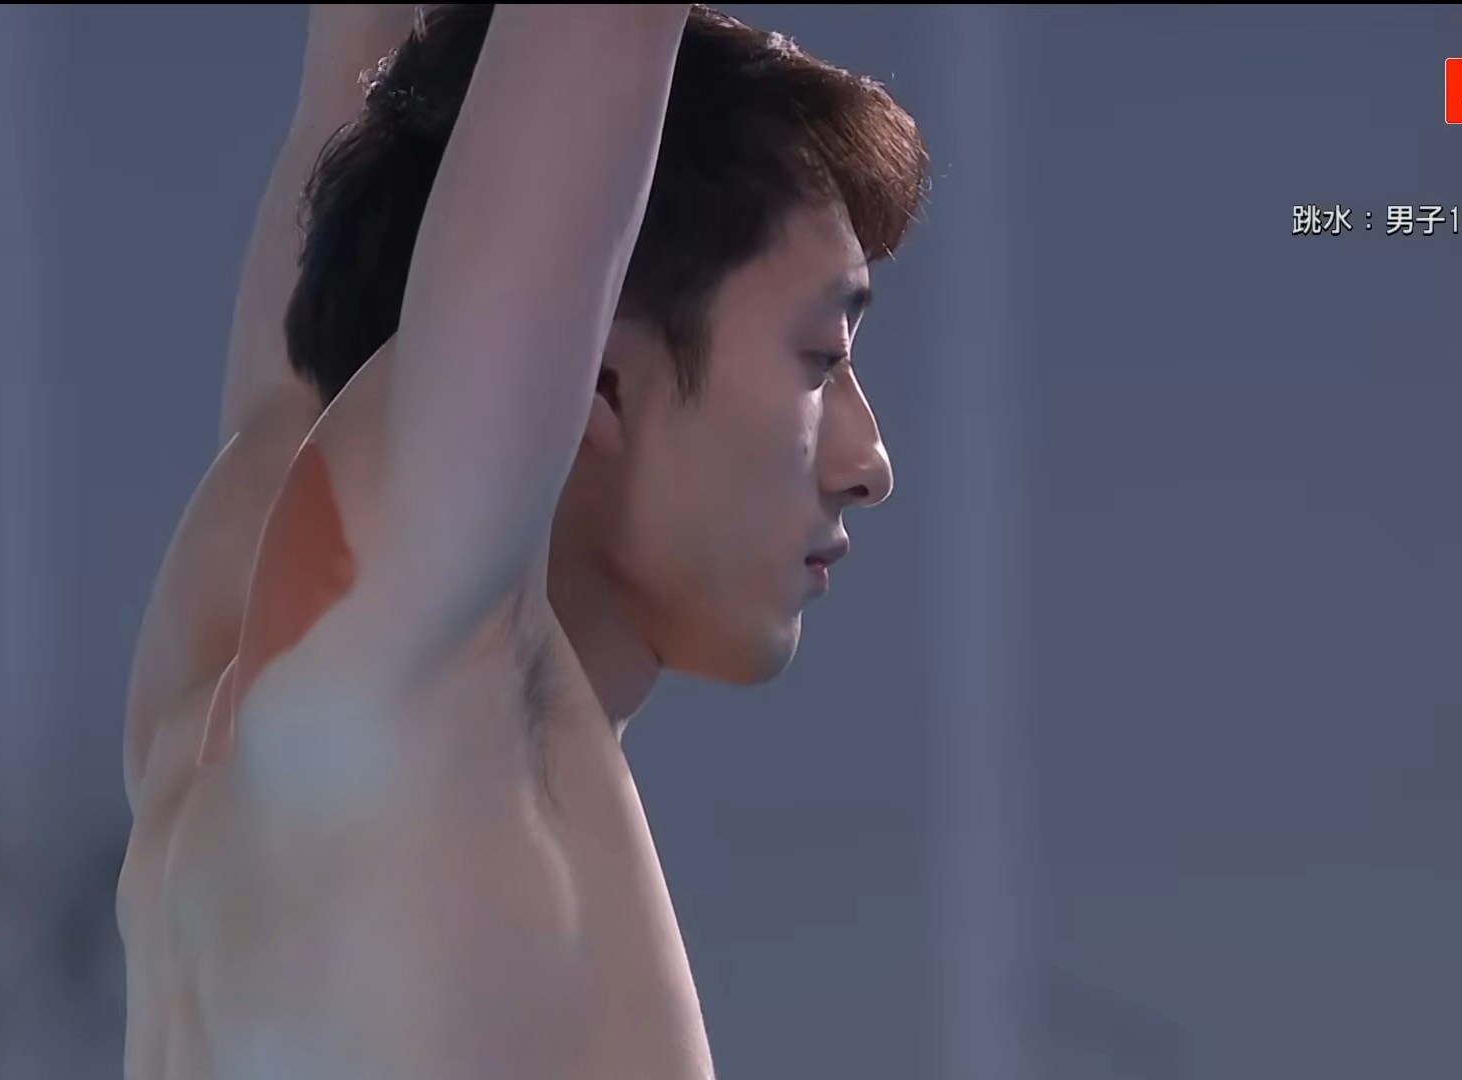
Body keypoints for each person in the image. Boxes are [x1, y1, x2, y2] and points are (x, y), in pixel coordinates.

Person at [116, 4, 928, 1077]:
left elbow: (359, 85)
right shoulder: (401, 682)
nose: (870, 463)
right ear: (597, 377)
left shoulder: (246, 666)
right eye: (821, 358)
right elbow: (598, 30)